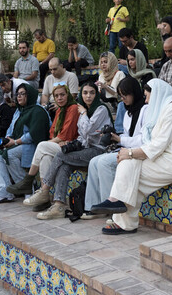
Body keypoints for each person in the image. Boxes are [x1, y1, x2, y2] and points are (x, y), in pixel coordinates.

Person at [90, 79, 172, 234]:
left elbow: (158, 145)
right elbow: (153, 144)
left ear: (157, 94)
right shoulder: (164, 110)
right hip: (167, 158)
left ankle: (120, 210)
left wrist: (129, 152)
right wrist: (129, 154)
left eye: (148, 96)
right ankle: (120, 210)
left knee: (130, 168)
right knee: (129, 168)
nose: (147, 100)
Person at [23, 82, 113, 220]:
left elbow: (88, 129)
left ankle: (44, 189)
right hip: (85, 149)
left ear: (96, 95)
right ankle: (59, 205)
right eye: (85, 93)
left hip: (99, 151)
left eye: (92, 93)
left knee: (60, 155)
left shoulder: (100, 109)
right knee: (64, 165)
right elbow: (83, 137)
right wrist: (71, 145)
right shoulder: (85, 111)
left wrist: (82, 113)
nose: (88, 96)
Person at [3, 84, 80, 201]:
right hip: (60, 145)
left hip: (71, 146)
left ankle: (28, 180)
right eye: (56, 96)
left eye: (62, 95)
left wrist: (50, 143)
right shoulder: (60, 110)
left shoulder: (73, 108)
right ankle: (44, 196)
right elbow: (52, 132)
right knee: (45, 157)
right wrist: (53, 142)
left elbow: (65, 135)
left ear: (68, 95)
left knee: (42, 146)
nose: (59, 98)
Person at [84, 77, 147, 219]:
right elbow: (126, 135)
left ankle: (112, 209)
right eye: (121, 95)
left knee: (104, 162)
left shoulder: (145, 110)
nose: (123, 98)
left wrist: (121, 139)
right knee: (94, 161)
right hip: (126, 149)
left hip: (138, 153)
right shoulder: (128, 112)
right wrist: (114, 138)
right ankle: (92, 206)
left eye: (125, 95)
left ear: (134, 93)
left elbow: (143, 140)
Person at [0, 84, 50, 203]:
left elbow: (34, 134)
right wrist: (8, 138)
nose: (19, 97)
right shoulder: (19, 111)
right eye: (18, 94)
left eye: (23, 94)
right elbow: (11, 128)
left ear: (30, 95)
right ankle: (5, 191)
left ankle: (28, 187)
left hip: (33, 145)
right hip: (18, 143)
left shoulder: (38, 111)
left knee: (9, 155)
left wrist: (15, 141)